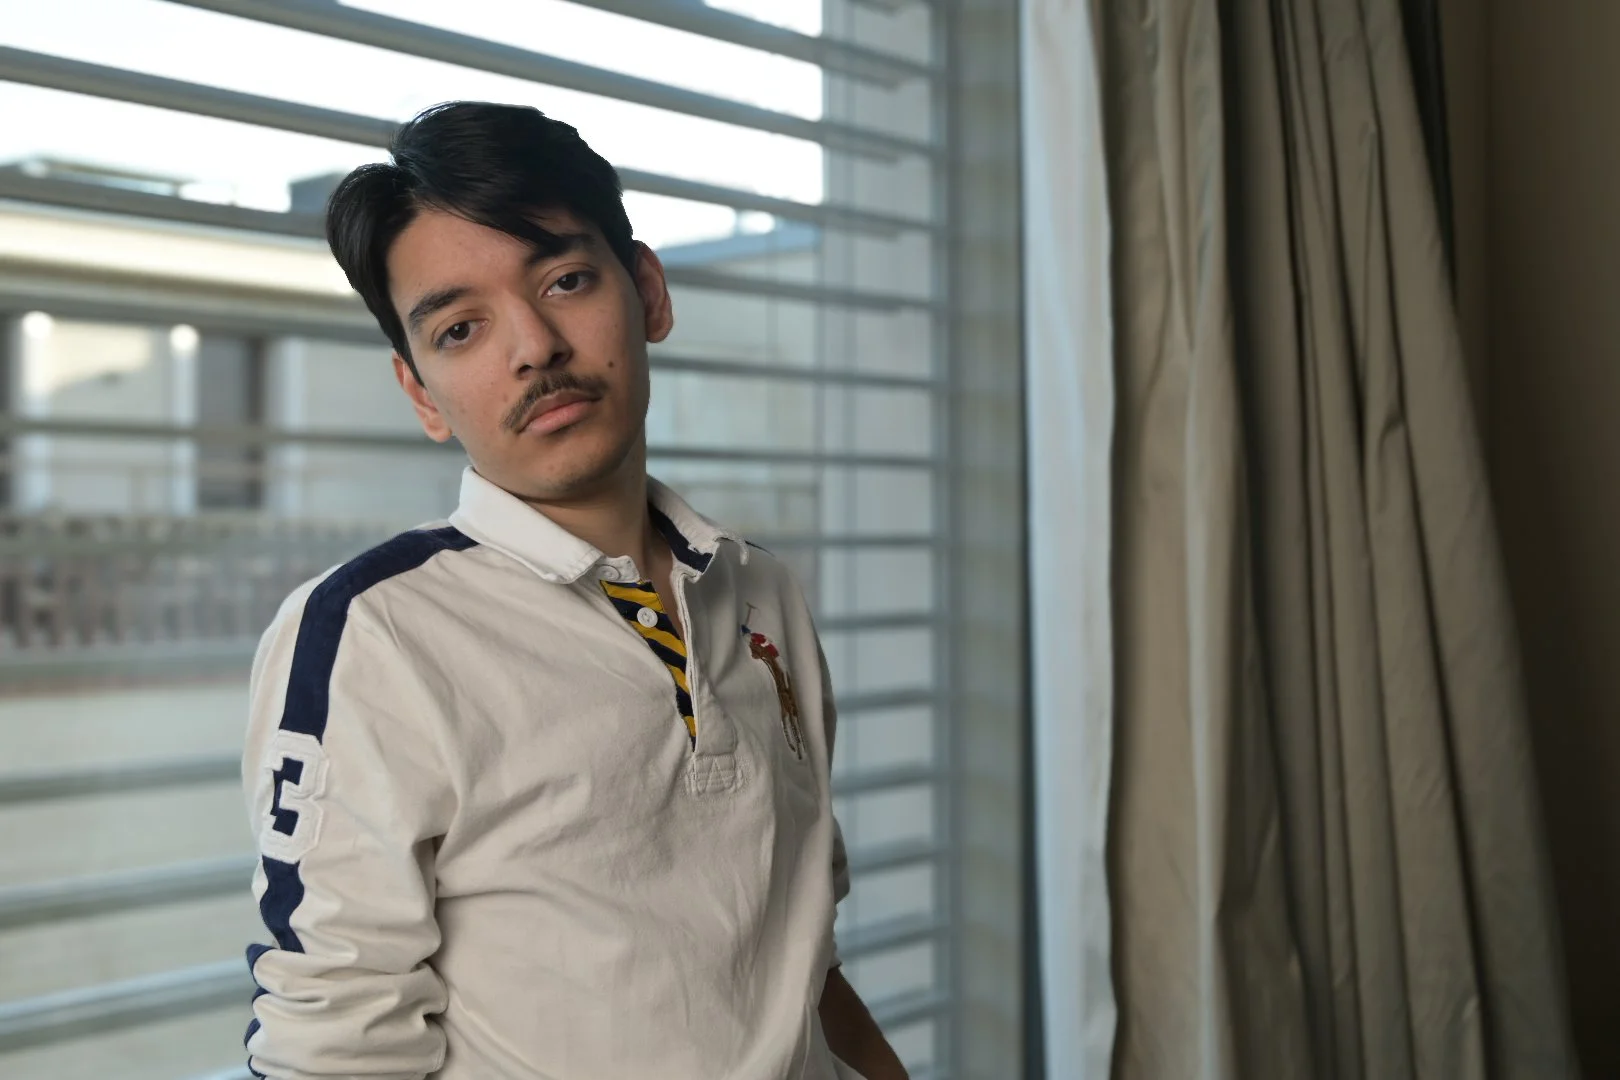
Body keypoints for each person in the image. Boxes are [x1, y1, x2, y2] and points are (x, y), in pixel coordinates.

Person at [240, 101, 908, 1080]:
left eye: (565, 280)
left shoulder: (760, 591)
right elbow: (331, 1052)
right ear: (422, 392)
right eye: (462, 327)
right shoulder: (373, 636)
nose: (534, 346)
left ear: (648, 292)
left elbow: (800, 964)